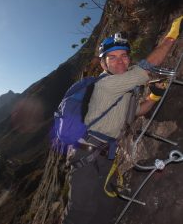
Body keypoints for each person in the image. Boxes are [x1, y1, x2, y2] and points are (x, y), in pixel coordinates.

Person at [62, 15, 183, 224]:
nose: (120, 61)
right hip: (86, 158)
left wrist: (153, 97)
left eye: (124, 56)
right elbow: (148, 66)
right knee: (79, 215)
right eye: (112, 57)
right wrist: (171, 36)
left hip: (105, 157)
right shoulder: (106, 85)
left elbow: (137, 112)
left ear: (129, 58)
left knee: (105, 211)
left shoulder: (124, 91)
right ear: (103, 63)